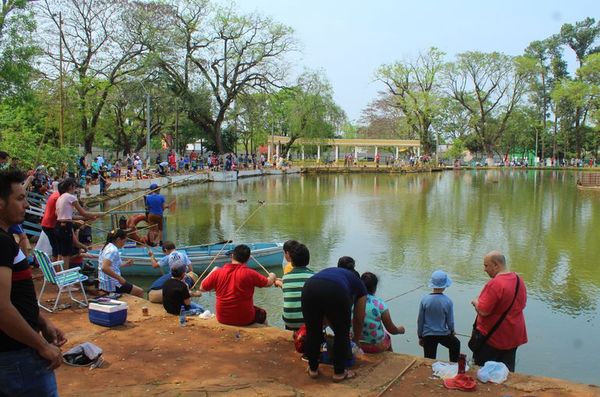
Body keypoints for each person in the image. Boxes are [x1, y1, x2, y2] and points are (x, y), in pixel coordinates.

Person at [0, 170, 67, 396]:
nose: (26, 205)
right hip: (16, 355)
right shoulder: (1, 243)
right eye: (19, 198)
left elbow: (15, 297)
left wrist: (41, 322)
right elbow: (1, 308)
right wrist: (42, 346)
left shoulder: (8, 238)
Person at [301, 259, 367, 382]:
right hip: (336, 291)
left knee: (313, 330)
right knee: (341, 332)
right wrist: (356, 341)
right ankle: (339, 373)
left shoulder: (335, 272)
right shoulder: (359, 284)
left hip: (309, 287)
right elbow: (359, 318)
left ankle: (313, 369)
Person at [471, 251, 527, 372]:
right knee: (506, 372)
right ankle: (505, 391)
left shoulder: (495, 283)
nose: (484, 270)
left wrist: (476, 301)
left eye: (486, 266)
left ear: (496, 265)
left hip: (493, 337)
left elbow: (483, 311)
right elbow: (522, 304)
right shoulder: (518, 280)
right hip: (513, 335)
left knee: (482, 370)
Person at [200, 244, 277, 326]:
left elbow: (202, 288)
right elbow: (268, 283)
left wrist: (213, 270)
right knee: (262, 313)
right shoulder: (250, 273)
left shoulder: (218, 272)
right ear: (248, 259)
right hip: (245, 319)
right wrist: (272, 275)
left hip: (222, 318)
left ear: (232, 256)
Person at [55, 178, 102, 269]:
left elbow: (68, 216)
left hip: (58, 226)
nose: (75, 189)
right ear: (70, 186)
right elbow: (83, 213)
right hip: (66, 227)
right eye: (74, 186)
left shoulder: (60, 197)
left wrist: (90, 217)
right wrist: (100, 214)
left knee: (60, 253)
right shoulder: (71, 197)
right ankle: (66, 280)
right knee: (66, 255)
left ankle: (59, 275)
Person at [417, 270, 460, 362]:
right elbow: (450, 321)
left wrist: (420, 336)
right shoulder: (448, 301)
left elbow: (420, 320)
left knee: (429, 359)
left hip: (428, 335)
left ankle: (428, 372)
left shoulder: (425, 300)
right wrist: (452, 331)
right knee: (456, 344)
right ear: (445, 286)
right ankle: (453, 365)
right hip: (443, 334)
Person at [359, 272, 405, 353]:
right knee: (387, 336)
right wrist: (400, 330)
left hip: (356, 343)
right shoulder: (379, 304)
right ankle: (391, 361)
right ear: (375, 288)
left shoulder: (352, 301)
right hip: (375, 346)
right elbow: (391, 329)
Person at [97, 229, 144, 297]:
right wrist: (119, 278)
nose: (124, 243)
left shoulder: (106, 247)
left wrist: (125, 264)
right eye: (124, 241)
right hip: (113, 285)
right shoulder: (113, 250)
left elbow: (112, 265)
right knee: (140, 292)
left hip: (104, 283)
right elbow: (104, 267)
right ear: (118, 239)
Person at [278, 243, 314, 330]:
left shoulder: (286, 278)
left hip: (289, 321)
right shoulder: (314, 277)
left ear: (291, 260)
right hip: (307, 321)